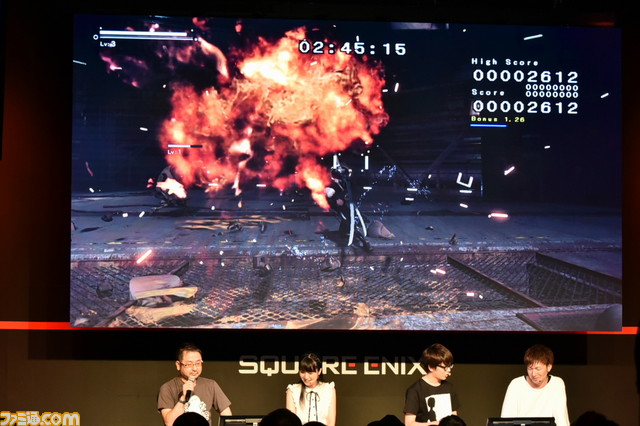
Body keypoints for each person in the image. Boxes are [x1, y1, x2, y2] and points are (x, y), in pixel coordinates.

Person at [158, 343, 232, 426]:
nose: (194, 368)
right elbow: (169, 423)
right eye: (189, 364)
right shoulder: (167, 388)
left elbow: (227, 415)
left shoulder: (210, 385)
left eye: (198, 363)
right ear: (178, 365)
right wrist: (183, 398)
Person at [501, 344, 570, 426]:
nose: (533, 374)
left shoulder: (556, 384)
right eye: (530, 368)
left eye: (538, 369)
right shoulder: (516, 385)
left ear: (549, 367)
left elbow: (561, 419)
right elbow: (506, 421)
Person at [404, 344, 460, 426]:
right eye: (445, 367)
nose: (449, 371)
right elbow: (409, 424)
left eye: (450, 366)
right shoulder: (415, 390)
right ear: (431, 367)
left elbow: (454, 418)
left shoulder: (449, 388)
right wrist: (435, 424)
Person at [286, 353, 336, 426]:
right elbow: (291, 422)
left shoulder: (328, 389)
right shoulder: (293, 390)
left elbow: (331, 422)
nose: (306, 377)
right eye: (302, 372)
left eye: (310, 373)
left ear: (319, 371)